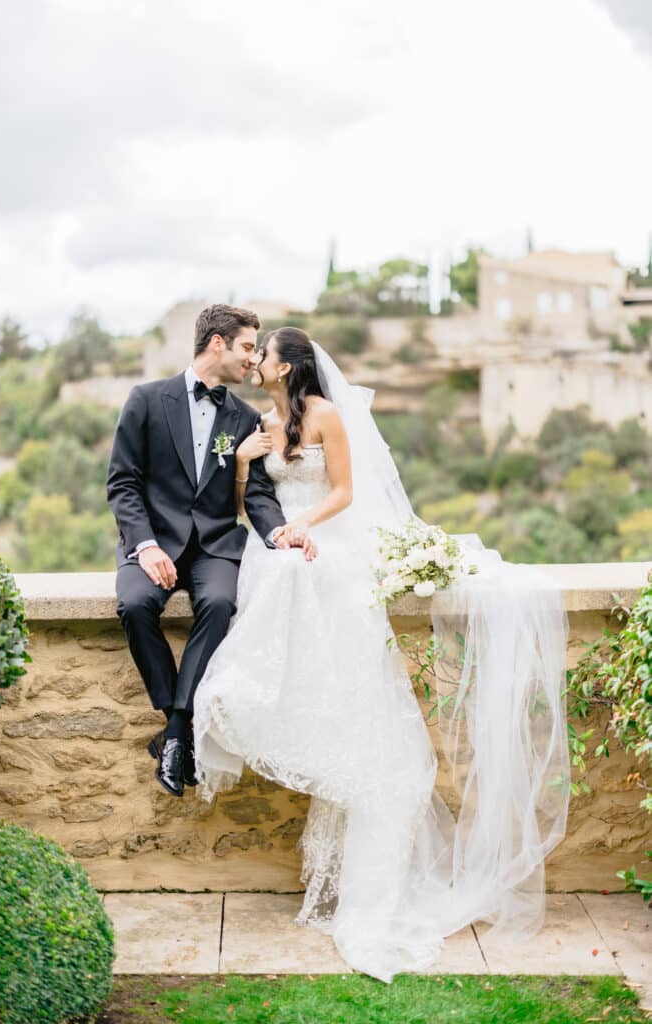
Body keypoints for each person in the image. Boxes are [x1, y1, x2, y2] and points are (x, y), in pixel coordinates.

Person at [192, 326, 571, 983]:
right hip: (278, 544)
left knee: (341, 656)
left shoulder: (328, 415)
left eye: (265, 355)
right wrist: (247, 464)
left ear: (290, 364)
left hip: (323, 540)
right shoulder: (257, 421)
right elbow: (239, 503)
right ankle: (247, 703)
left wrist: (301, 528)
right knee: (281, 585)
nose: (256, 363)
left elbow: (342, 492)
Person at [106, 304, 316, 799]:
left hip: (216, 547)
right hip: (153, 541)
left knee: (220, 604)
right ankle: (175, 719)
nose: (252, 359)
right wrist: (147, 544)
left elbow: (258, 494)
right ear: (217, 344)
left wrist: (277, 533)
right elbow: (123, 483)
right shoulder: (145, 399)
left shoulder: (246, 418)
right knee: (135, 606)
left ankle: (176, 732)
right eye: (247, 347)